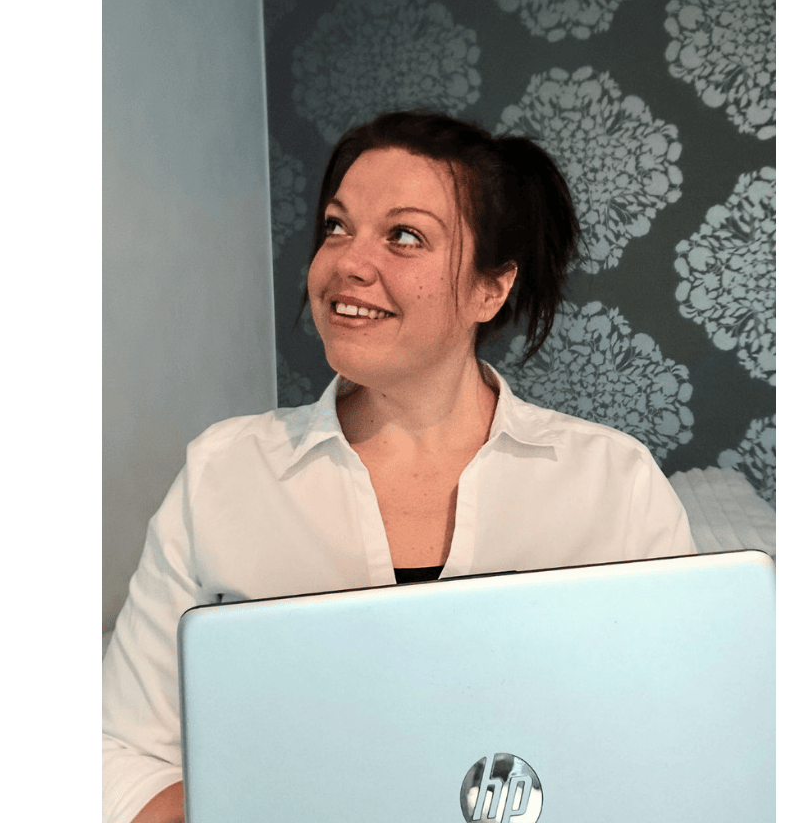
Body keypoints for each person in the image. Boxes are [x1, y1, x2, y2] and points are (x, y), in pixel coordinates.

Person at [102, 111, 695, 823]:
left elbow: (684, 737)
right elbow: (125, 751)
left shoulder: (615, 485)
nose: (348, 263)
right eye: (336, 226)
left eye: (405, 236)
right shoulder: (223, 475)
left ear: (490, 289)